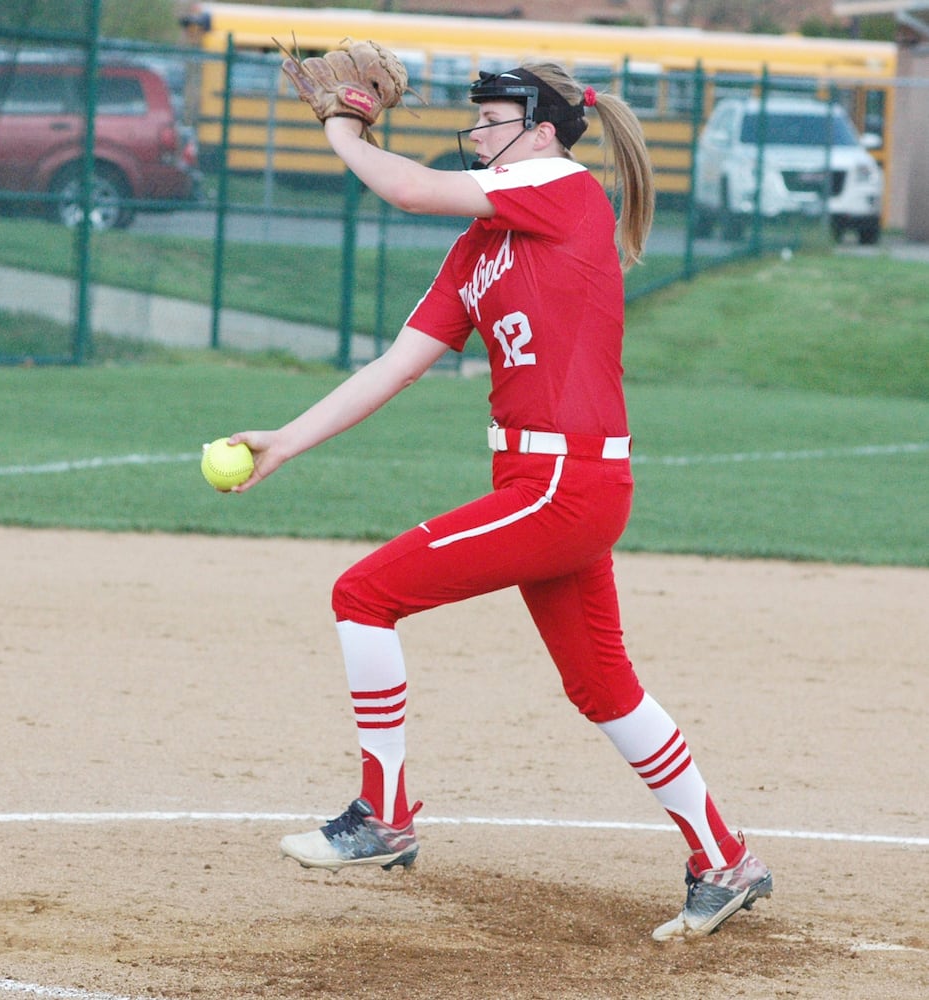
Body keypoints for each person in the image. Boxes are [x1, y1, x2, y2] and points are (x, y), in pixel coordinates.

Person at [226, 62, 772, 941]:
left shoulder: (561, 188)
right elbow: (393, 366)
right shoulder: (481, 245)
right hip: (541, 486)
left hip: (566, 483)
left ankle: (384, 811)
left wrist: (342, 130)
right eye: (475, 122)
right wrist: (287, 439)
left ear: (543, 130)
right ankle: (724, 857)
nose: (475, 136)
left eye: (490, 121)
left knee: (363, 595)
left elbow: (404, 187)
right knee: (602, 686)